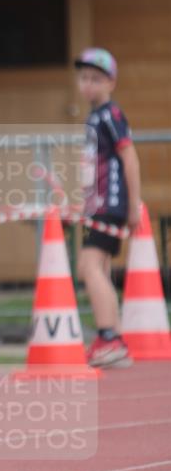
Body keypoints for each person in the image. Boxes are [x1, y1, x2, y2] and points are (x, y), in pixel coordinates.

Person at [75, 47, 141, 368]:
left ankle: (109, 337)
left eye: (96, 79)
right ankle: (111, 338)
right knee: (96, 268)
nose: (88, 84)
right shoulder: (94, 118)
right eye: (84, 78)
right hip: (96, 204)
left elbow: (129, 157)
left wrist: (133, 206)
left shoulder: (110, 115)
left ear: (111, 82)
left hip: (110, 204)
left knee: (89, 267)